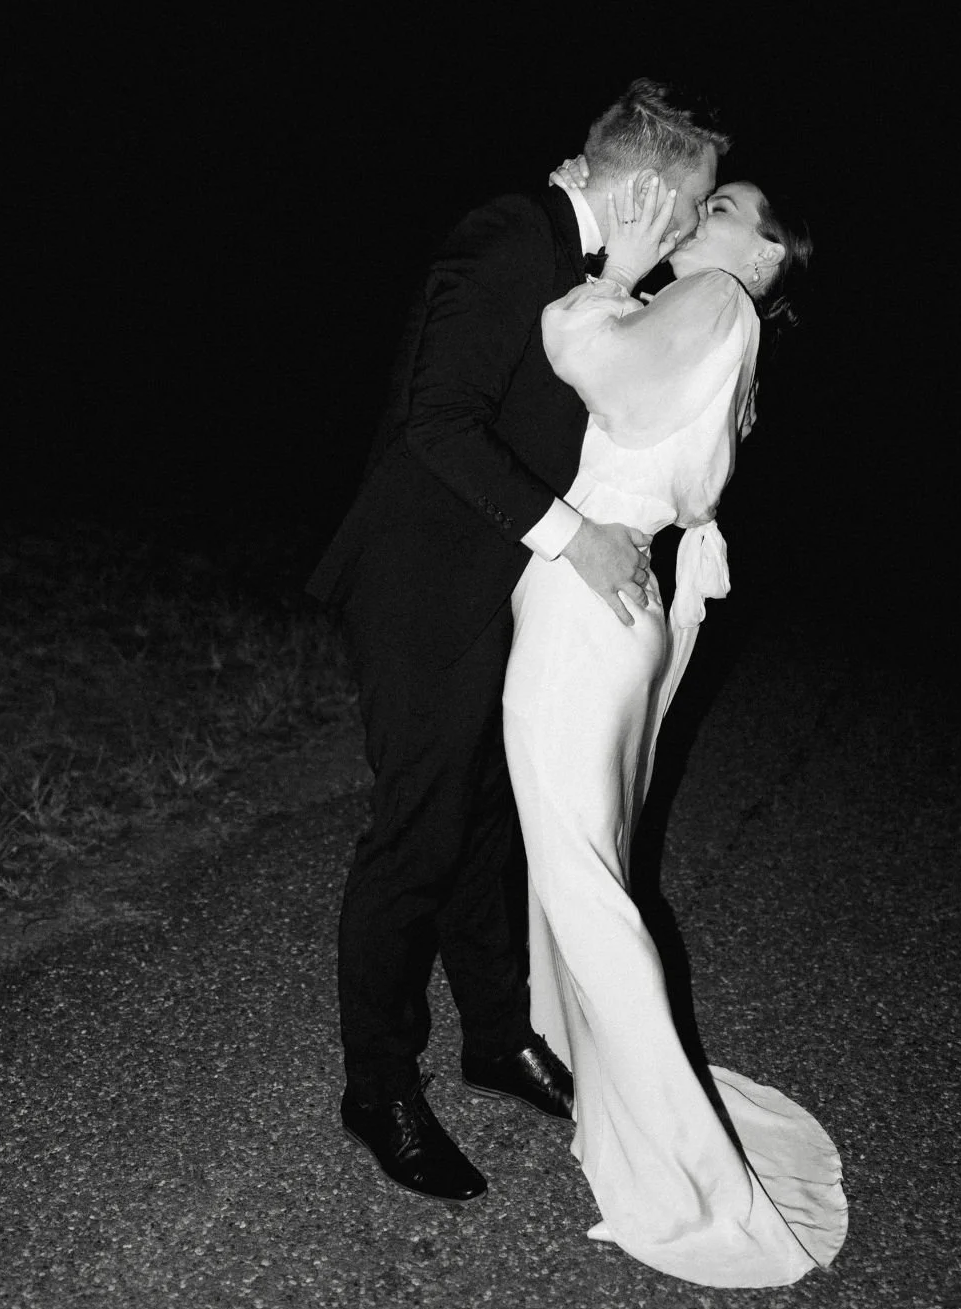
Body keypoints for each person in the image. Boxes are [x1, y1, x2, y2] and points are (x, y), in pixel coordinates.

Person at [306, 80, 727, 1203]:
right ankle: (377, 1086)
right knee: (419, 832)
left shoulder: (591, 272)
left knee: (487, 823)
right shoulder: (508, 236)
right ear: (642, 190)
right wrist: (578, 538)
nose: (688, 234)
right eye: (686, 211)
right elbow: (436, 420)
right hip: (422, 585)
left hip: (501, 586)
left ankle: (496, 1036)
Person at [503, 162, 848, 1285]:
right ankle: (593, 1076)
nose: (710, 213)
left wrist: (619, 266)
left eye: (732, 209)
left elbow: (587, 357)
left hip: (586, 605)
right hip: (621, 599)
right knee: (583, 865)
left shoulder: (712, 302)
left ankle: (681, 1172)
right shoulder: (724, 321)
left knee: (584, 882)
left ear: (763, 256)